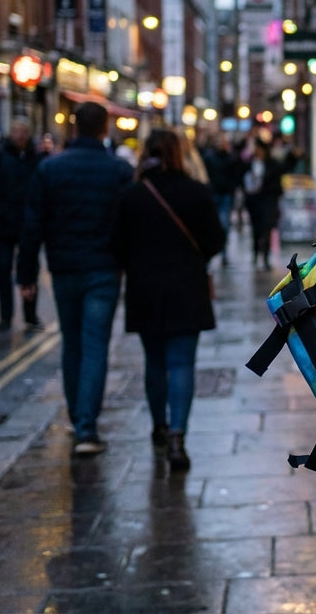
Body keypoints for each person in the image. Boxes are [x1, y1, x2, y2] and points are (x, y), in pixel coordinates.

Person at [18, 102, 134, 457]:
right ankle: (87, 427)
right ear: (105, 129)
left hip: (64, 268)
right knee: (95, 345)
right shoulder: (118, 170)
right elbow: (130, 225)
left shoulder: (50, 169)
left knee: (72, 344)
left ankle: (77, 418)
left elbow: (33, 223)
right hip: (104, 269)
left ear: (73, 127)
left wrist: (26, 275)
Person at [112, 130, 224, 471]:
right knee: (182, 364)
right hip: (186, 289)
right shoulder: (197, 193)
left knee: (155, 362)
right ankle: (178, 435)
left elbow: (117, 247)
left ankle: (158, 427)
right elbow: (216, 240)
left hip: (145, 290)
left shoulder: (131, 195)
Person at [0, 117, 45, 333]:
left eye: (23, 131)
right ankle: (6, 317)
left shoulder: (36, 159)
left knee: (30, 269)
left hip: (27, 225)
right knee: (3, 270)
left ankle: (30, 315)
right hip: (3, 224)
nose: (19, 135)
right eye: (16, 130)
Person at [240, 135, 283, 270]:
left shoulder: (272, 164)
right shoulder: (249, 164)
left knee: (267, 227)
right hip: (254, 201)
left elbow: (277, 182)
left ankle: (264, 256)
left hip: (268, 200)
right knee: (256, 229)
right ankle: (256, 253)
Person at [199, 132, 241, 265]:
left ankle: (222, 252)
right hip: (215, 194)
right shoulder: (210, 158)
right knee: (216, 223)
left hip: (224, 194)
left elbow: (235, 175)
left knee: (224, 223)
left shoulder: (230, 158)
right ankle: (217, 252)